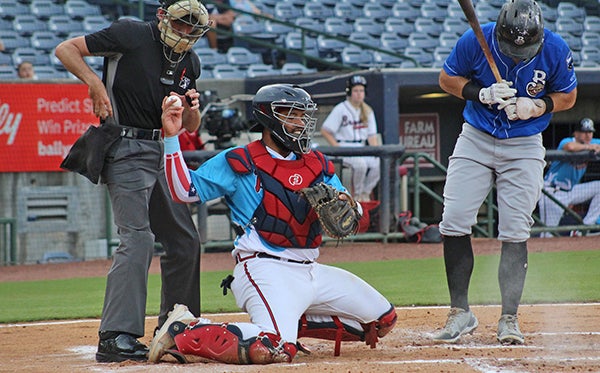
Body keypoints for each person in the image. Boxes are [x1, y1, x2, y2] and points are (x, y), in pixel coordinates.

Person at [148, 83, 397, 365]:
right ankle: (183, 328)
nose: (300, 123)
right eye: (291, 115)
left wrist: (350, 208)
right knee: (275, 348)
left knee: (383, 320)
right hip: (264, 268)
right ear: (268, 117)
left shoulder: (318, 164)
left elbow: (354, 215)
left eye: (302, 116)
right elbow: (184, 191)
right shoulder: (240, 160)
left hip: (311, 270)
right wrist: (171, 139)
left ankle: (289, 318)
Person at [54, 0, 211, 363]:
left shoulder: (190, 62)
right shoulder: (131, 33)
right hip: (124, 147)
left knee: (184, 240)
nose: (186, 33)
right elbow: (66, 49)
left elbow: (191, 127)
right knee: (138, 237)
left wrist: (192, 108)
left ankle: (177, 327)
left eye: (193, 28)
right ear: (162, 17)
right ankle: (115, 336)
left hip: (162, 149)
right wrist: (94, 82)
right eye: (181, 24)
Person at [434, 0, 577, 346]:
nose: (516, 52)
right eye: (511, 45)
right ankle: (460, 312)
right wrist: (479, 93)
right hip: (477, 136)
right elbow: (446, 79)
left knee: (514, 227)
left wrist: (537, 105)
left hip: (524, 143)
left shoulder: (555, 48)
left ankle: (509, 319)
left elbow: (569, 96)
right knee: (454, 219)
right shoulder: (477, 39)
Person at [320, 75, 381, 202]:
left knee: (378, 164)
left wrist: (375, 152)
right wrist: (336, 148)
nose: (359, 94)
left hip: (362, 147)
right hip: (345, 147)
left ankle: (365, 193)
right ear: (349, 92)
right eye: (356, 91)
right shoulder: (341, 108)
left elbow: (372, 136)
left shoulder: (368, 110)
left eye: (361, 91)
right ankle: (357, 195)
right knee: (361, 165)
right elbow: (325, 130)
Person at [538, 118, 600, 232]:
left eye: (590, 132)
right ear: (576, 133)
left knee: (598, 187)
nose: (587, 135)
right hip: (552, 192)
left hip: (571, 191)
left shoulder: (594, 142)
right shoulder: (567, 141)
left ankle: (586, 226)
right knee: (549, 234)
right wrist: (589, 147)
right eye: (583, 132)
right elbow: (570, 147)